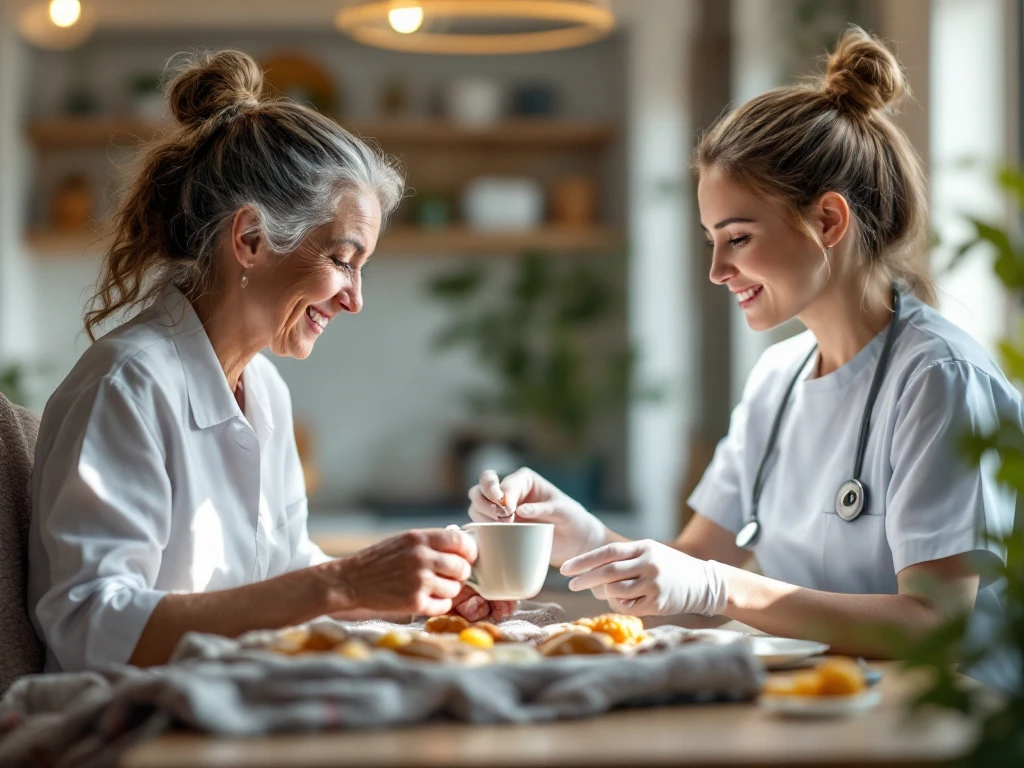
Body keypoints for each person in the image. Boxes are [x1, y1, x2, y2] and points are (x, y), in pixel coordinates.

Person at [469, 28, 1020, 685]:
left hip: (945, 722)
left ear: (830, 222)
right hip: (823, 707)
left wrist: (719, 588)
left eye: (738, 237)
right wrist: (583, 540)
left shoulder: (938, 379)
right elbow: (697, 573)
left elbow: (935, 623)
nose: (717, 268)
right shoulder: (777, 378)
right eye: (710, 238)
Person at [28, 50, 505, 674]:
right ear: (250, 239)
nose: (355, 300)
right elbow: (91, 626)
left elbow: (282, 577)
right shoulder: (127, 384)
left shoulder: (265, 390)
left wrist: (409, 595)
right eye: (342, 259)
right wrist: (344, 584)